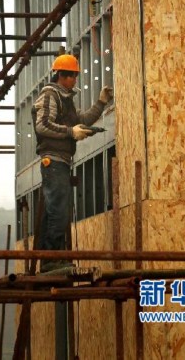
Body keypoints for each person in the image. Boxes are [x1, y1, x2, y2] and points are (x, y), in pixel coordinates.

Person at [32, 53, 113, 272]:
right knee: (58, 210)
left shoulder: (65, 99)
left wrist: (101, 103)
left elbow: (82, 120)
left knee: (55, 209)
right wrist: (70, 132)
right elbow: (42, 125)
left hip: (62, 160)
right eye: (72, 76)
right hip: (53, 159)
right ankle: (51, 260)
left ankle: (50, 258)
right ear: (62, 75)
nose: (75, 80)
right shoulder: (50, 95)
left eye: (75, 76)